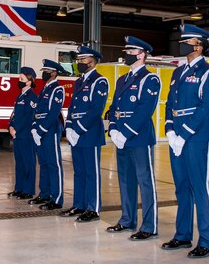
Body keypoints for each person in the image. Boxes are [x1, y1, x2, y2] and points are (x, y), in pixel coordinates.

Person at [163, 24, 209, 258]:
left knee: (200, 186)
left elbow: (206, 106)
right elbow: (169, 104)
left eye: (188, 41)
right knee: (181, 187)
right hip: (177, 134)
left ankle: (207, 240)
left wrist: (184, 133)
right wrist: (169, 130)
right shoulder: (178, 72)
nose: (183, 44)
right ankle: (183, 235)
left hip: (197, 135)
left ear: (200, 46)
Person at [106, 36, 161, 240]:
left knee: (145, 181)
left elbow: (144, 110)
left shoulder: (150, 79)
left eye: (131, 52)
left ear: (141, 54)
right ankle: (127, 219)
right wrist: (112, 129)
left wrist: (125, 132)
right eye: (126, 51)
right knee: (125, 180)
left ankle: (149, 226)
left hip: (139, 138)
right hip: (120, 137)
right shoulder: (122, 79)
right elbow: (114, 107)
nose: (127, 55)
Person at [61, 45, 109, 222]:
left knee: (91, 172)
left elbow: (96, 109)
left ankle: (93, 208)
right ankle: (79, 204)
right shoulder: (78, 82)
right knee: (79, 171)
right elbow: (73, 107)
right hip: (76, 133)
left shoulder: (100, 81)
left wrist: (78, 128)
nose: (79, 62)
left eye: (83, 59)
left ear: (92, 61)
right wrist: (69, 128)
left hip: (89, 133)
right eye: (79, 60)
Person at [29, 59, 68, 210]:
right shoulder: (45, 88)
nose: (44, 73)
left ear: (54, 73)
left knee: (53, 164)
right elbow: (38, 111)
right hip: (40, 129)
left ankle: (57, 198)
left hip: (50, 130)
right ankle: (44, 193)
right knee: (44, 163)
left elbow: (53, 113)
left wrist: (41, 129)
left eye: (47, 71)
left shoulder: (57, 89)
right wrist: (34, 126)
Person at [8, 67, 38, 200]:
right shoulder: (19, 96)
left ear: (29, 82)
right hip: (17, 135)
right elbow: (15, 115)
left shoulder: (32, 97)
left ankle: (28, 190)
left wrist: (17, 129)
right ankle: (18, 188)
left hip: (26, 135)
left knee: (28, 163)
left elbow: (28, 118)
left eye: (22, 79)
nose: (19, 81)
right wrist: (10, 126)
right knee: (19, 163)